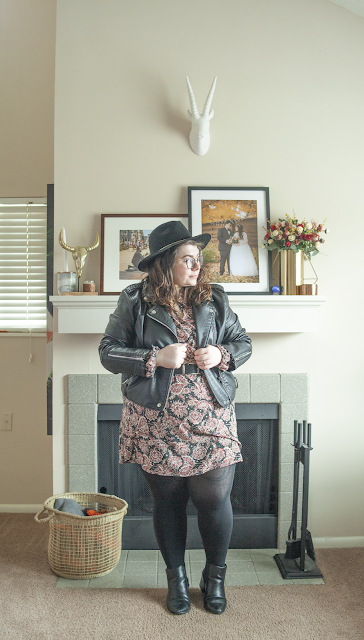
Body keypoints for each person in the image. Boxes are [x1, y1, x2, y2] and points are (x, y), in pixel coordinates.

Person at [99, 221, 252, 616]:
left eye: (198, 259)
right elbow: (108, 350)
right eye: (188, 258)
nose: (196, 265)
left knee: (215, 499)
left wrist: (222, 355)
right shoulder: (135, 299)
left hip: (210, 411)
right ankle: (177, 580)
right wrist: (152, 358)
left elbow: (243, 342)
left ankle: (214, 578)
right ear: (166, 262)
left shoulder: (214, 297)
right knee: (167, 502)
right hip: (155, 415)